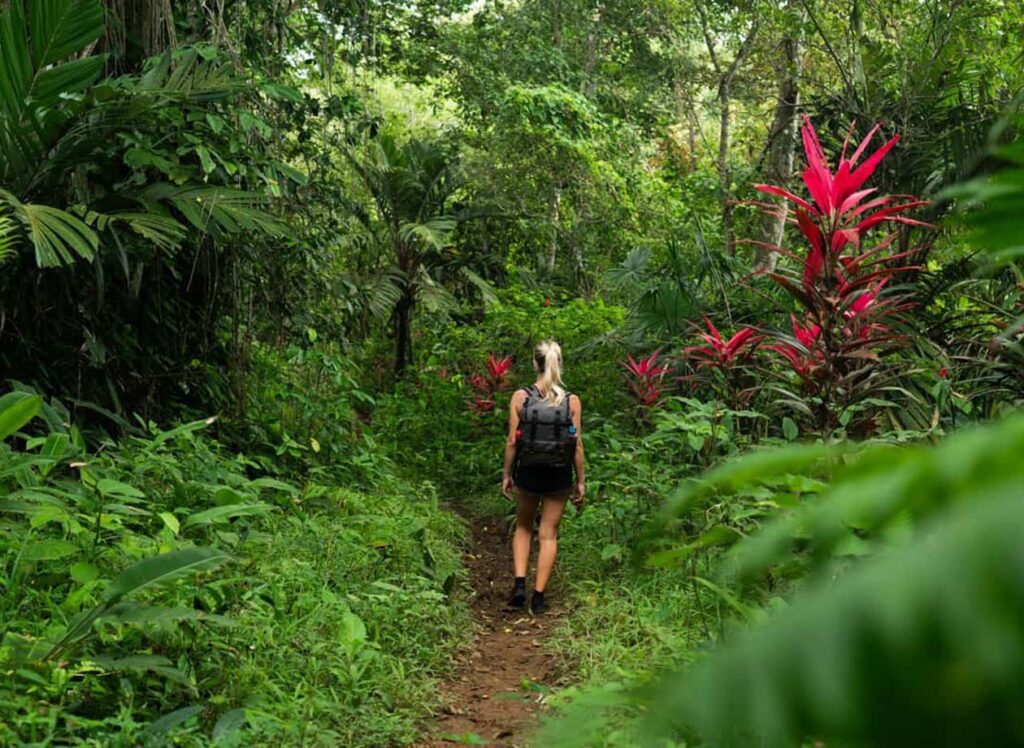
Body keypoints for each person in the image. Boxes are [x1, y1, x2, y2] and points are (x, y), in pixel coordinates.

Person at [501, 340, 585, 615]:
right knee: (548, 534)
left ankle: (519, 586)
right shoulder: (571, 400)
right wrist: (580, 480)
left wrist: (507, 474)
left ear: (535, 364)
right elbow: (577, 444)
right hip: (559, 473)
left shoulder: (520, 397)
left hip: (528, 470)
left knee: (524, 526)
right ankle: (538, 598)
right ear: (557, 364)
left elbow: (513, 441)